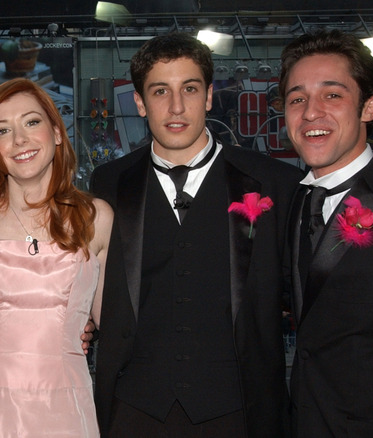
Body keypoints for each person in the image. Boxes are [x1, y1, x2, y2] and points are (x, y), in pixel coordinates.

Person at [89, 32, 302, 437]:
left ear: (207, 96)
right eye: (159, 91)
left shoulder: (275, 182)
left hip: (240, 410)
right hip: (133, 410)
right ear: (139, 103)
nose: (175, 106)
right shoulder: (110, 182)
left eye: (189, 88)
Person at [0, 78, 112, 437]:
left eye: (31, 122)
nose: (19, 140)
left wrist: (85, 328)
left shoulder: (97, 218)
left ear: (55, 132)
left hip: (64, 408)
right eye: (2, 130)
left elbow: (117, 325)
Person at [281, 30, 373, 437]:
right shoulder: (293, 202)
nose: (310, 113)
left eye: (332, 95)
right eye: (297, 99)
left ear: (369, 106)